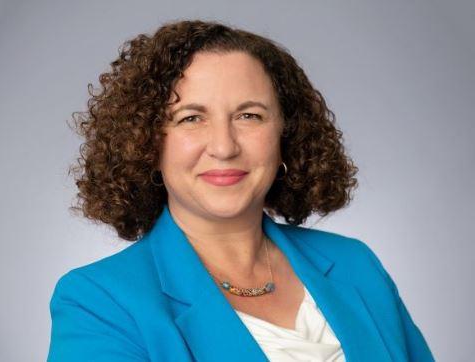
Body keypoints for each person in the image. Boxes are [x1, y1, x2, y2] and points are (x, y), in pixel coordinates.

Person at [47, 19, 435, 362]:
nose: (224, 146)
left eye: (249, 115)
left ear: (286, 132)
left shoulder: (356, 264)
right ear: (147, 143)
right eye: (191, 118)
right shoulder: (98, 301)